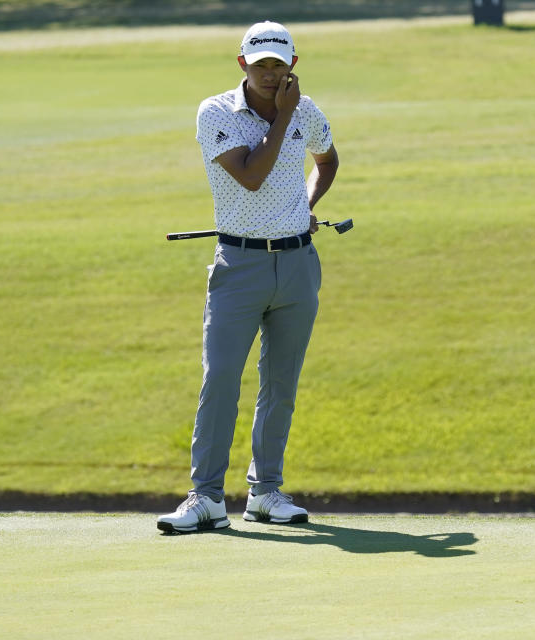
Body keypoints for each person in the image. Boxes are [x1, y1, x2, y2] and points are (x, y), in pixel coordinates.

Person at [158, 21, 339, 533]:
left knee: (280, 383)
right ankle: (206, 497)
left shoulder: (309, 113)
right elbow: (253, 175)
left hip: (298, 264)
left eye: (277, 63)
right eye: (259, 63)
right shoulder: (216, 111)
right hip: (239, 266)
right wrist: (282, 119)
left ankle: (265, 492)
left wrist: (306, 203)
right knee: (220, 379)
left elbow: (326, 160)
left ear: (292, 66)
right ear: (242, 64)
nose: (268, 71)